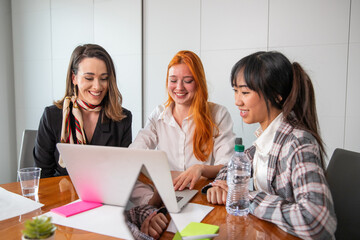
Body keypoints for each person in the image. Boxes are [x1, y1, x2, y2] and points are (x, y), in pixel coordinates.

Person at [206, 51, 337, 239]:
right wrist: (222, 187)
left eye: (245, 92)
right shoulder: (266, 139)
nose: (237, 101)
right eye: (235, 91)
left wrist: (244, 195)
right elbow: (231, 167)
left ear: (276, 96)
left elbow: (316, 219)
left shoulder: (298, 142)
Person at [130, 50, 235, 191]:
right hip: (168, 192)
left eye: (187, 81)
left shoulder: (218, 114)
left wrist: (201, 169)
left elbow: (226, 166)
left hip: (203, 194)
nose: (179, 87)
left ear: (199, 82)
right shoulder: (159, 114)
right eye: (173, 80)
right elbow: (134, 155)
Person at [34, 44, 132, 178]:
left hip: (106, 197)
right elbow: (42, 175)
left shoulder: (123, 119)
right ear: (74, 78)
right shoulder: (52, 116)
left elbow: (124, 173)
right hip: (62, 195)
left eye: (104, 78)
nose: (97, 86)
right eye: (89, 78)